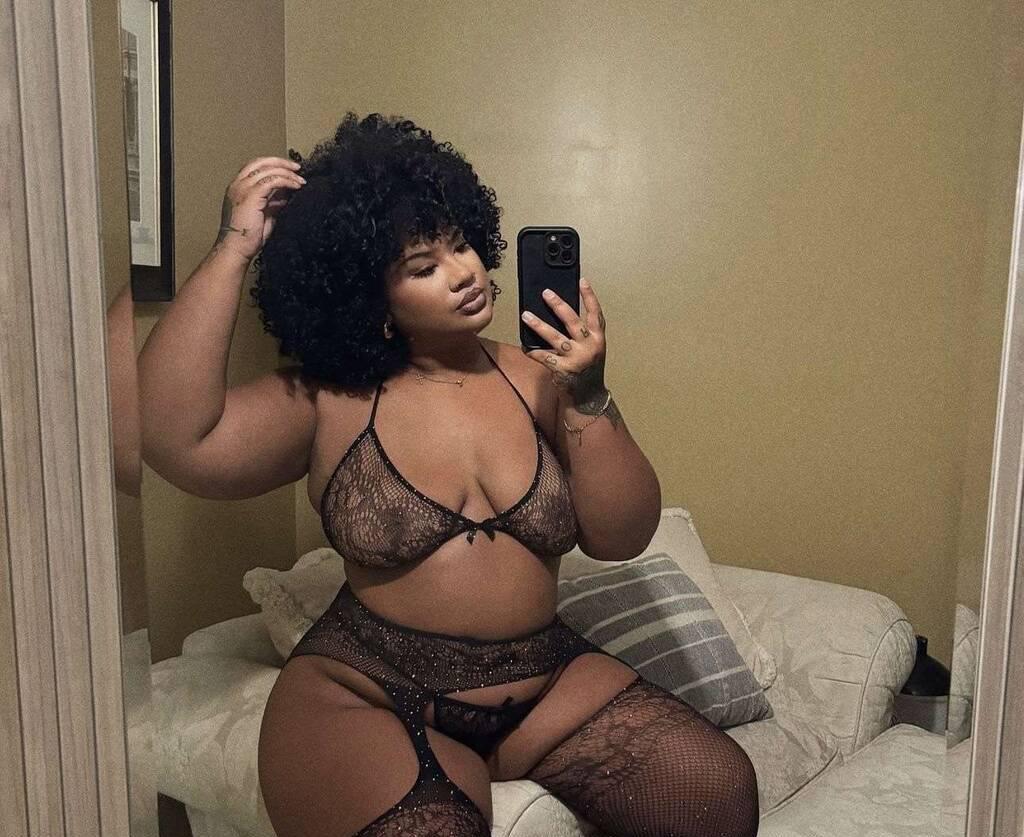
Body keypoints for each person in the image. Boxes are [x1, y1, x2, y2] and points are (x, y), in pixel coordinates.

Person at [138, 112, 759, 837]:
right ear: (370, 297)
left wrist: (589, 393)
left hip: (542, 680)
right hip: (368, 691)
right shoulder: (330, 399)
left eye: (460, 244)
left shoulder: (542, 378)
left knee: (717, 792)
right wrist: (235, 245)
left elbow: (623, 536)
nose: (463, 272)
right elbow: (175, 438)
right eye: (423, 266)